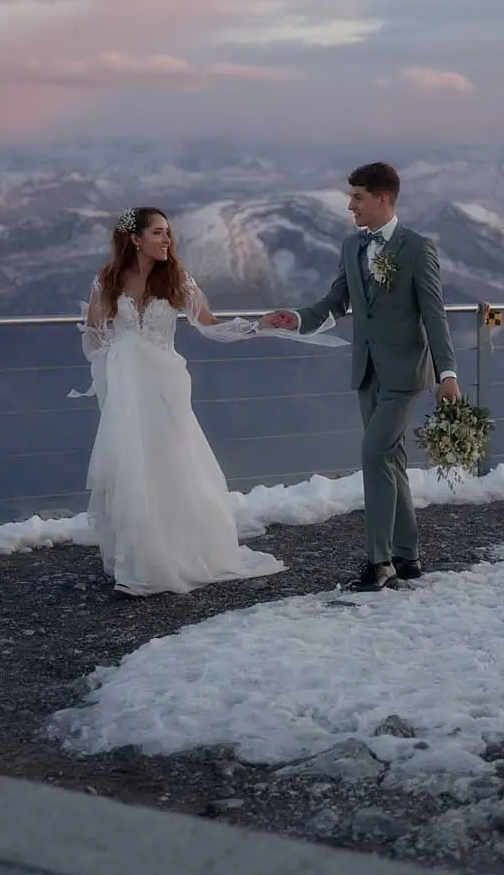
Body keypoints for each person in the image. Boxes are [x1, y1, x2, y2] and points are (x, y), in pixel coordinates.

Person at [74, 206, 342, 597]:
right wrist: (112, 367)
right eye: (158, 233)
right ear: (134, 239)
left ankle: (180, 552)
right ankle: (140, 557)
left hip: (165, 383)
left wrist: (258, 327)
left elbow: (210, 326)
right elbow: (95, 333)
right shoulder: (108, 279)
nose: (167, 240)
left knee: (172, 461)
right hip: (127, 388)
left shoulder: (177, 279)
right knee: (133, 466)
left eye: (168, 233)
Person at [264, 162, 458, 592]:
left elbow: (435, 315)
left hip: (406, 373)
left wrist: (447, 373)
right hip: (366, 373)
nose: (350, 205)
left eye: (357, 197)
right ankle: (409, 557)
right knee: (391, 460)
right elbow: (334, 302)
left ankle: (380, 563)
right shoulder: (352, 247)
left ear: (382, 198)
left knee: (374, 454)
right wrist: (293, 318)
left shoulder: (417, 249)